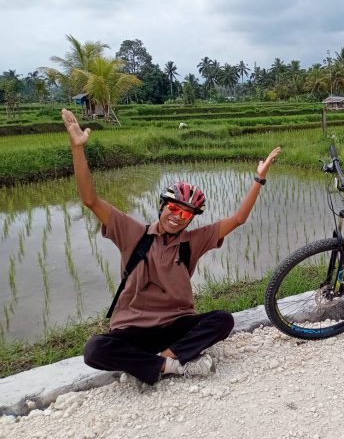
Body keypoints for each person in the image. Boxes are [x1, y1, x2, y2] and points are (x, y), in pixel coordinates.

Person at [61, 109, 281, 386]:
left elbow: (238, 219)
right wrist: (77, 148)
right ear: (162, 206)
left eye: (186, 214)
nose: (178, 216)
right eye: (174, 208)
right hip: (134, 326)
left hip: (176, 324)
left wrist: (259, 178)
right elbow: (90, 200)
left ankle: (159, 364)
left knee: (223, 320)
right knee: (94, 349)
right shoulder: (133, 233)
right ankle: (174, 365)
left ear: (192, 219)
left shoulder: (193, 240)